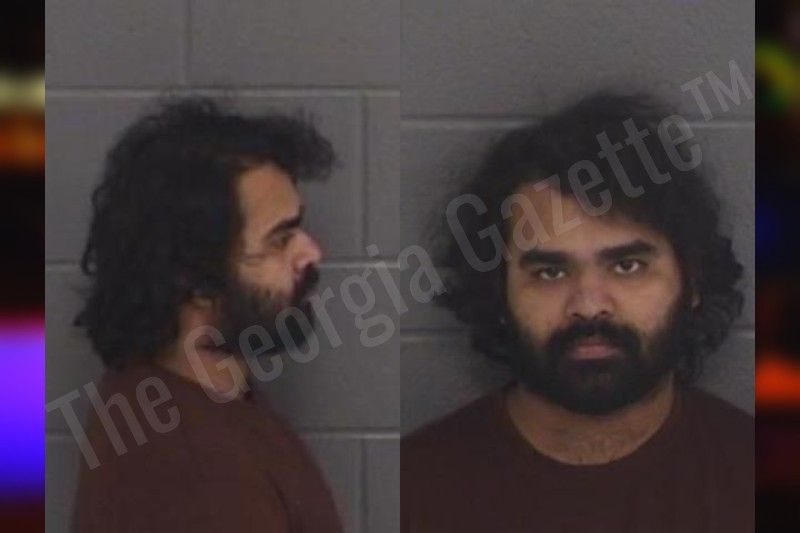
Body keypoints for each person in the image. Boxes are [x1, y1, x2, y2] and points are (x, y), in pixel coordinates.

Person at [401, 92, 754, 532]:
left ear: (693, 280)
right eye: (550, 272)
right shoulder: (412, 490)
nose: (588, 305)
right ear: (498, 293)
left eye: (627, 266)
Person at [70, 98, 344, 532]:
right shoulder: (194, 478)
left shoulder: (205, 396)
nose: (311, 252)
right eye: (279, 239)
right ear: (196, 281)